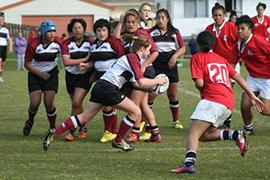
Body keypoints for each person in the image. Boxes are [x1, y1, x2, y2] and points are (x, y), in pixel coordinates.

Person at [43, 35, 167, 152]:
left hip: (100, 86)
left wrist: (152, 87)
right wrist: (158, 81)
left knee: (84, 117)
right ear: (142, 48)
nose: (149, 53)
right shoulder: (133, 58)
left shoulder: (130, 58)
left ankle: (54, 134)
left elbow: (136, 84)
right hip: (109, 88)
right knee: (136, 112)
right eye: (148, 50)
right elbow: (141, 82)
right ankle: (119, 140)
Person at [171, 31, 264, 174]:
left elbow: (200, 83)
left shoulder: (197, 57)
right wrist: (251, 95)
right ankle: (235, 135)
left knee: (194, 133)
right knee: (205, 135)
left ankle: (189, 164)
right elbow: (238, 77)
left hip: (212, 100)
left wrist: (200, 83)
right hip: (228, 103)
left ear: (199, 45)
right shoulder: (220, 59)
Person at [114, 9, 162, 143]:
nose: (130, 24)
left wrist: (143, 66)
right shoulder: (128, 35)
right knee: (143, 105)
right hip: (136, 73)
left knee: (134, 105)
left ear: (138, 22)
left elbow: (154, 52)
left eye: (132, 22)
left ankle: (135, 133)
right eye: (127, 22)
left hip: (145, 72)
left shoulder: (142, 33)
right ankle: (155, 133)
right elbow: (115, 38)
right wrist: (121, 21)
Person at [87, 19, 125, 143]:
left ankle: (109, 131)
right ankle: (112, 131)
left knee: (106, 105)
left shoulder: (113, 42)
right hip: (100, 78)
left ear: (108, 31)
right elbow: (95, 62)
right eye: (98, 30)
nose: (101, 33)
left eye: (104, 30)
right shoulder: (94, 45)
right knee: (108, 105)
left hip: (112, 78)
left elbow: (122, 59)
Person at [231, 15, 270, 135]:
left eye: (243, 28)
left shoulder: (259, 41)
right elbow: (232, 62)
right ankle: (248, 128)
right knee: (244, 105)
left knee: (264, 110)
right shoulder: (238, 44)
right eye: (238, 29)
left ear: (250, 29)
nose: (239, 31)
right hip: (252, 78)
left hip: (267, 79)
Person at [23, 20, 62, 136]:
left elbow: (66, 55)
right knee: (35, 103)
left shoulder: (58, 42)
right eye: (50, 32)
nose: (52, 34)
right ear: (43, 32)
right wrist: (40, 73)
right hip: (35, 75)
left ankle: (52, 128)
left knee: (48, 104)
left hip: (51, 75)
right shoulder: (33, 44)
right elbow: (27, 64)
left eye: (54, 31)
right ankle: (30, 121)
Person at [148, 9, 186, 129]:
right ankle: (146, 120)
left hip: (170, 64)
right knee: (152, 94)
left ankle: (176, 121)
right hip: (156, 65)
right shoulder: (151, 32)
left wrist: (174, 56)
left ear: (167, 19)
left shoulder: (174, 32)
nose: (160, 20)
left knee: (173, 94)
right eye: (158, 18)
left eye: (163, 18)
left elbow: (183, 48)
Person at [205, 3, 239, 128]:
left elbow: (237, 45)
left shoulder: (231, 27)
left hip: (230, 65)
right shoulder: (209, 29)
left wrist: (235, 62)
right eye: (215, 15)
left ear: (224, 15)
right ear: (212, 16)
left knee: (227, 93)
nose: (217, 17)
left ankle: (227, 123)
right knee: (215, 93)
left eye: (220, 15)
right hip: (215, 67)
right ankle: (216, 121)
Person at [61, 18, 93, 141]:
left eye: (79, 27)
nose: (77, 30)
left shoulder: (90, 43)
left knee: (76, 102)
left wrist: (87, 64)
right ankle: (83, 126)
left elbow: (93, 59)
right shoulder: (66, 43)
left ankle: (71, 130)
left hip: (85, 75)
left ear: (84, 29)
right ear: (71, 30)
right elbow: (66, 62)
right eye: (74, 28)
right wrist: (84, 59)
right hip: (70, 76)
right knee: (76, 104)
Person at [0, 12, 13, 82]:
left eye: (2, 20)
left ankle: (0, 76)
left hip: (4, 48)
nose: (1, 21)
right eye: (0, 20)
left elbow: (10, 39)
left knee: (2, 64)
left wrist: (10, 47)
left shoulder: (6, 30)